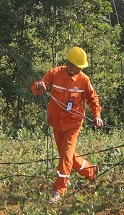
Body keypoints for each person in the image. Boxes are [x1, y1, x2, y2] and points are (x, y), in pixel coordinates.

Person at [31, 46, 104, 203]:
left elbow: (93, 99)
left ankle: (58, 190)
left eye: (81, 67)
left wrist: (97, 116)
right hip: (57, 124)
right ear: (69, 64)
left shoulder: (84, 80)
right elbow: (39, 86)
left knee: (65, 156)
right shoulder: (54, 73)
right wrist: (39, 86)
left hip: (73, 124)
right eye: (78, 67)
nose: (79, 69)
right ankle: (92, 171)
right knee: (68, 156)